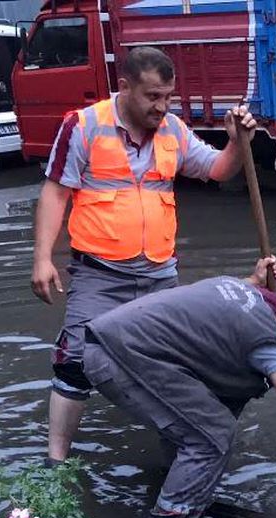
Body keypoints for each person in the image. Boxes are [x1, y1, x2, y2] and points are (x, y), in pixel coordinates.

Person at [33, 46, 258, 466]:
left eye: (169, 97)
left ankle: (180, 451)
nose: (162, 106)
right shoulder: (83, 126)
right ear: (125, 87)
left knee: (173, 363)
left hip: (158, 276)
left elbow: (217, 169)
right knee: (76, 359)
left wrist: (236, 142)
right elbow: (56, 191)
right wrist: (42, 258)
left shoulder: (173, 130)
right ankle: (56, 461)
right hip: (100, 275)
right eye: (153, 96)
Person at [82, 256, 276, 518]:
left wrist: (255, 277)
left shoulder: (246, 291)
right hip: (121, 358)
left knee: (203, 417)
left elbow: (233, 299)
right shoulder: (274, 342)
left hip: (104, 340)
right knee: (213, 437)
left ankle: (177, 483)